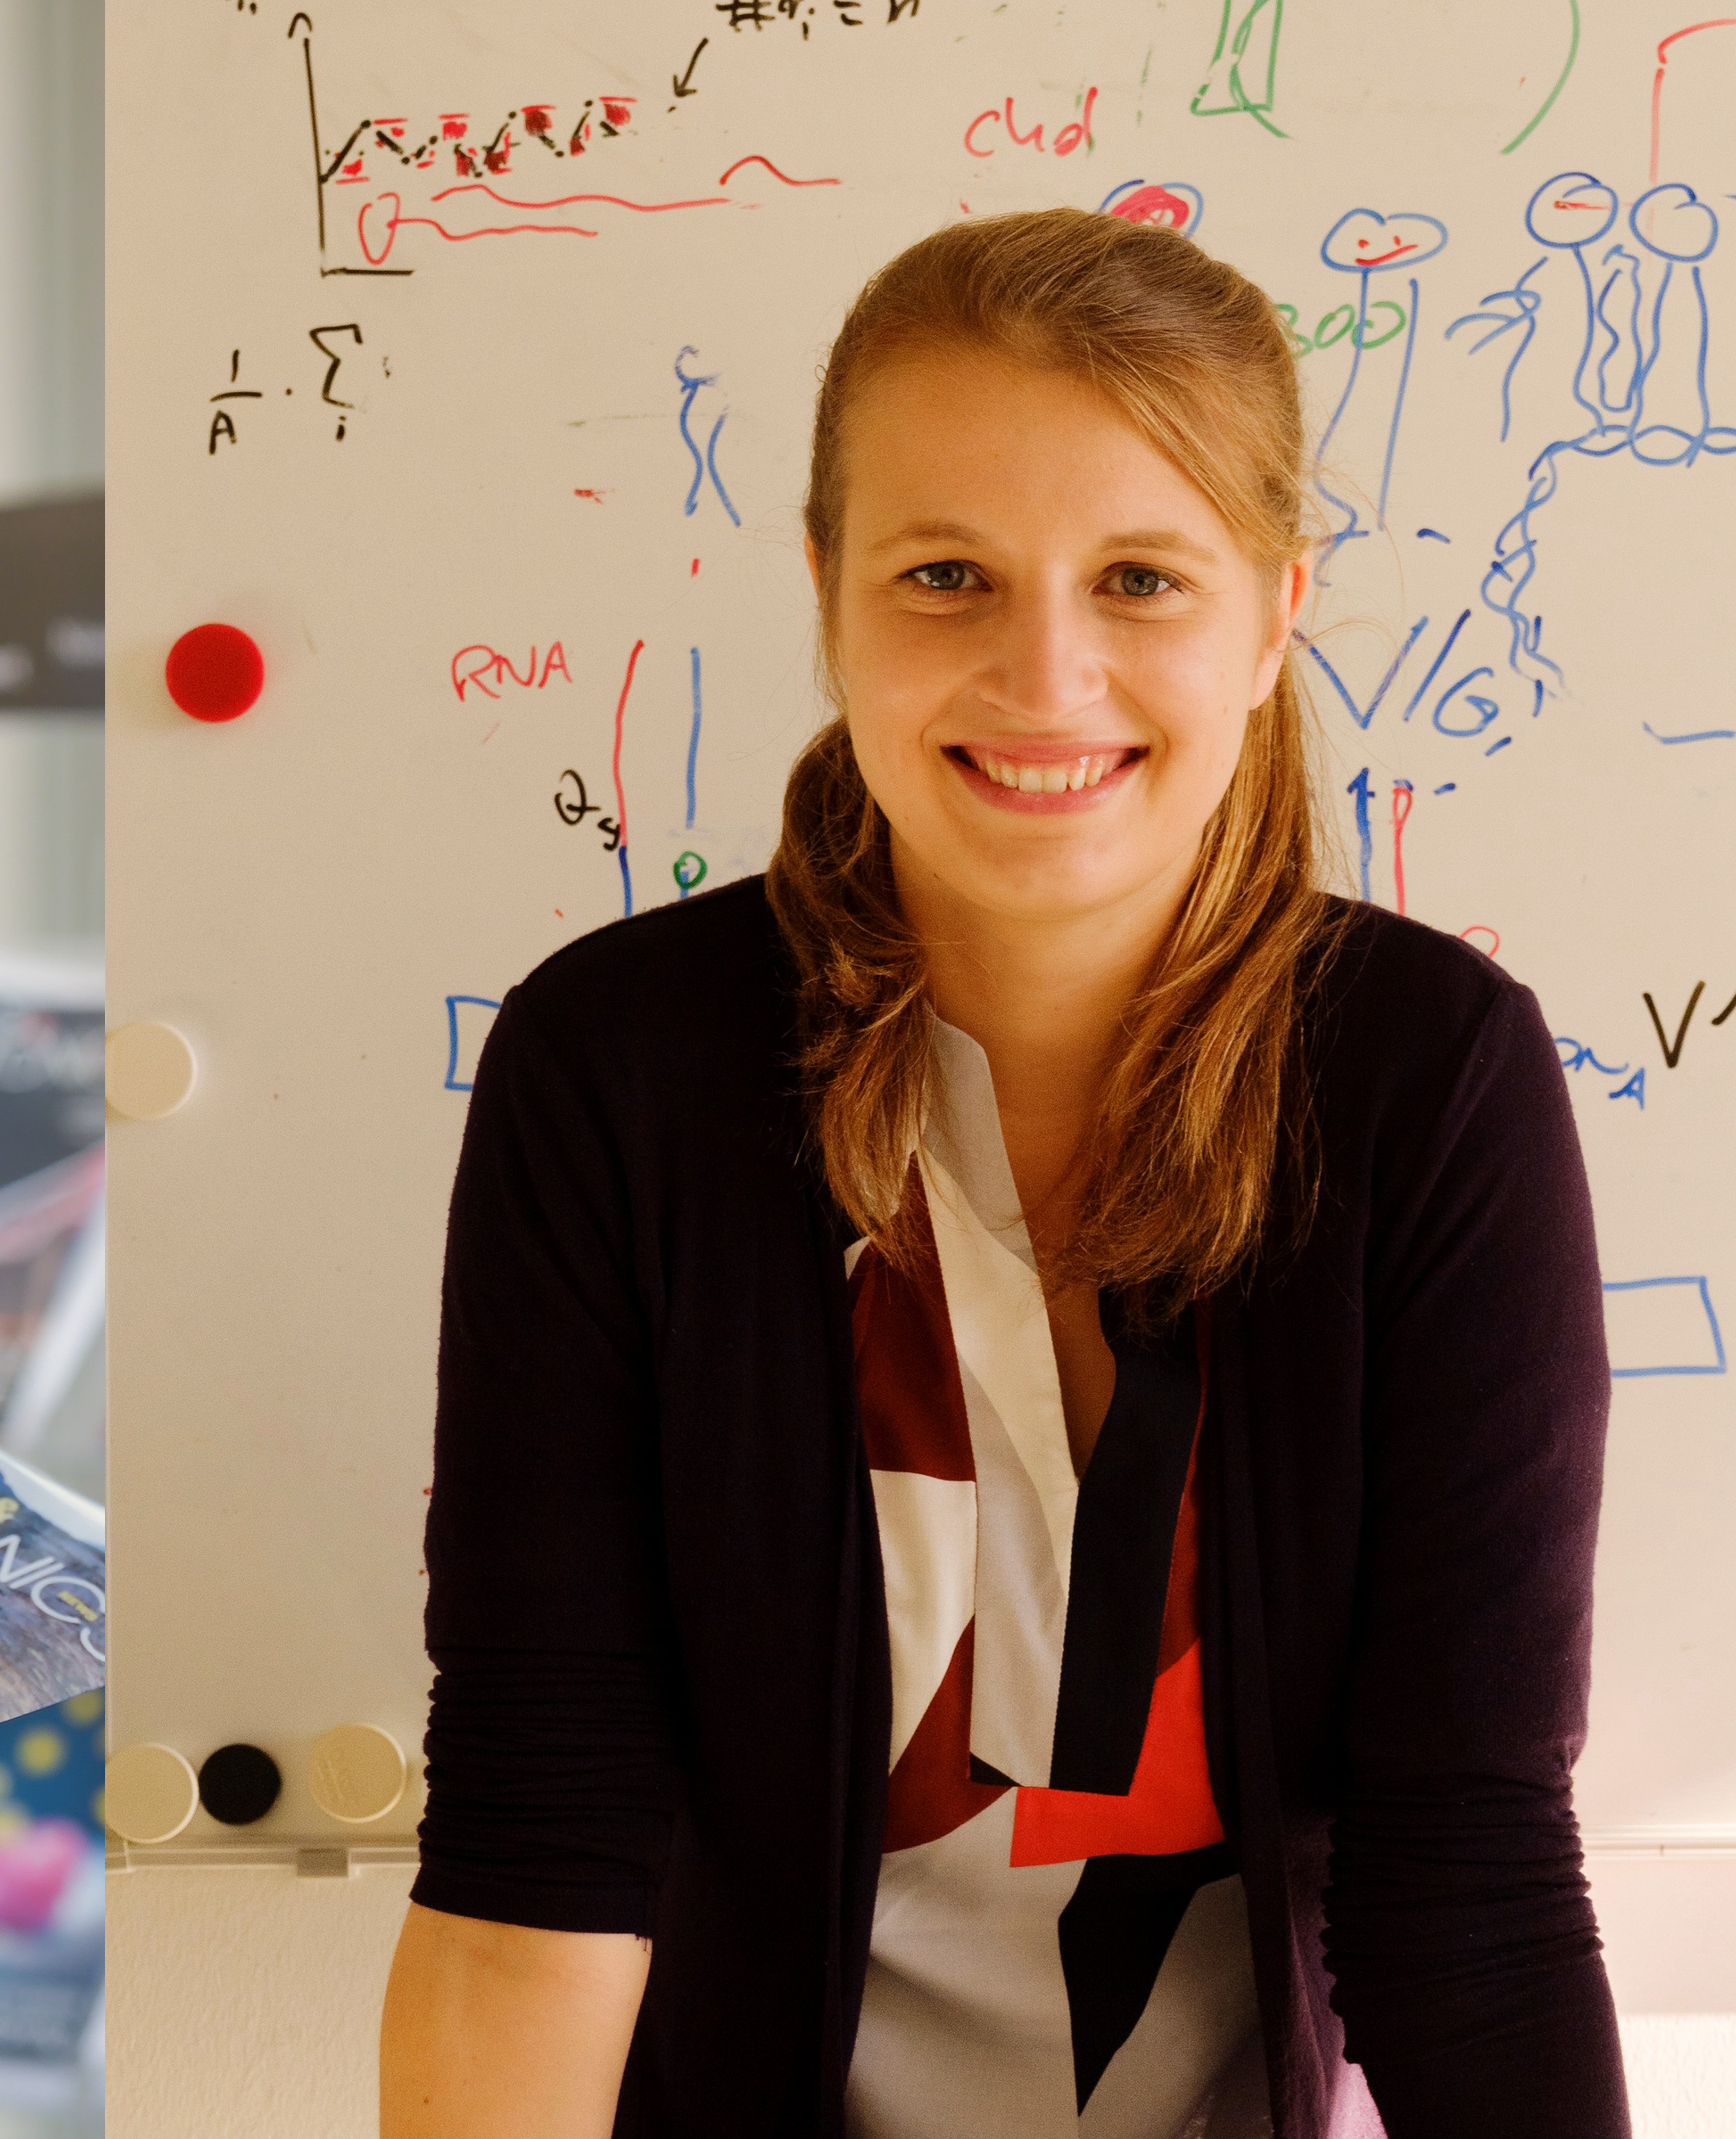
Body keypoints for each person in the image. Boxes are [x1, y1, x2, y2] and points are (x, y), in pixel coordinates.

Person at [379, 211, 1624, 2137]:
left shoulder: (1422, 1074)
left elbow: (1464, 1864)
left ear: (1274, 606)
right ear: (826, 589)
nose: (1045, 677)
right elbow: (545, 1823)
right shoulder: (618, 1065)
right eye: (945, 573)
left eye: (1139, 577)